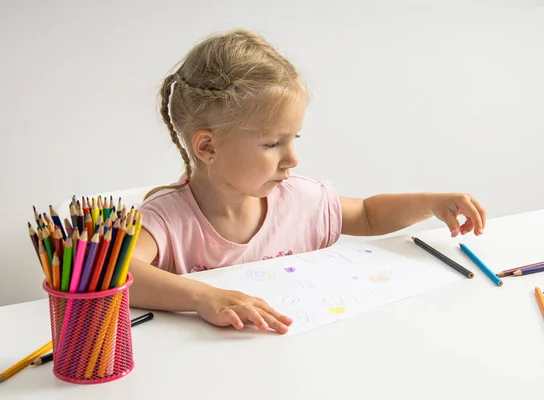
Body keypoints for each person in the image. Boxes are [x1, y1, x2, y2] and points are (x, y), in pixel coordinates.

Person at [129, 29, 486, 334]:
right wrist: (202, 296)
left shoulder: (299, 200)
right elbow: (116, 271)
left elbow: (366, 214)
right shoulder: (165, 220)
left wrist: (431, 203)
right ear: (208, 147)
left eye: (294, 138)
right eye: (272, 143)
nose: (293, 158)